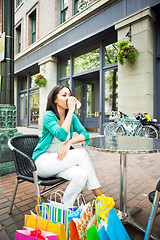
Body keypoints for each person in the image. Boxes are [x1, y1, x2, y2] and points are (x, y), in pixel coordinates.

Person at [32, 85, 126, 219]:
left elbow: (85, 135)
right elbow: (60, 135)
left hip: (58, 161)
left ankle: (64, 209)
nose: (68, 98)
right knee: (82, 154)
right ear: (55, 99)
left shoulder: (72, 117)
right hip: (42, 162)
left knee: (81, 175)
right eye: (64, 95)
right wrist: (70, 111)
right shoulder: (49, 116)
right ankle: (102, 200)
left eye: (69, 95)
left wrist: (69, 143)